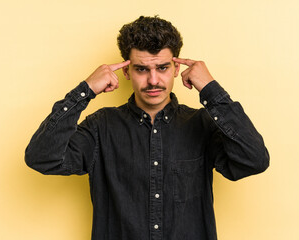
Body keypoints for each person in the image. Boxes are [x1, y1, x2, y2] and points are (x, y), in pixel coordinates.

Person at [25, 16, 269, 240]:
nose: (153, 80)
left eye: (162, 68)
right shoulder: (101, 127)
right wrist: (84, 91)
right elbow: (41, 158)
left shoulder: (202, 124)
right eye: (142, 69)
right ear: (127, 71)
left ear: (176, 68)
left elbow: (254, 160)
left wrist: (211, 90)